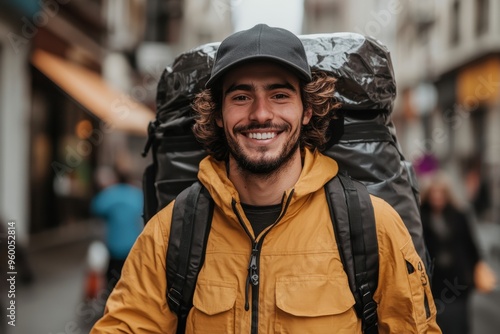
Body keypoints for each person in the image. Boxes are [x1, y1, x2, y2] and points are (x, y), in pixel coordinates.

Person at [91, 24, 440, 333]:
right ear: (218, 114)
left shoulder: (373, 226)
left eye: (280, 95)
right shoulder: (170, 233)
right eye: (241, 97)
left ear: (306, 110)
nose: (260, 114)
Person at [420, 172, 497, 334]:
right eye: (433, 192)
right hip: (435, 282)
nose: (437, 197)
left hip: (458, 280)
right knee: (439, 321)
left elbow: (470, 245)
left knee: (459, 321)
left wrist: (473, 270)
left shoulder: (459, 215)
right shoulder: (421, 217)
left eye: (440, 192)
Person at [90, 166, 144, 297]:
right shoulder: (137, 194)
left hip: (114, 247)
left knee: (112, 285)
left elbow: (95, 209)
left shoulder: (109, 194)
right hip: (133, 247)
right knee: (131, 283)